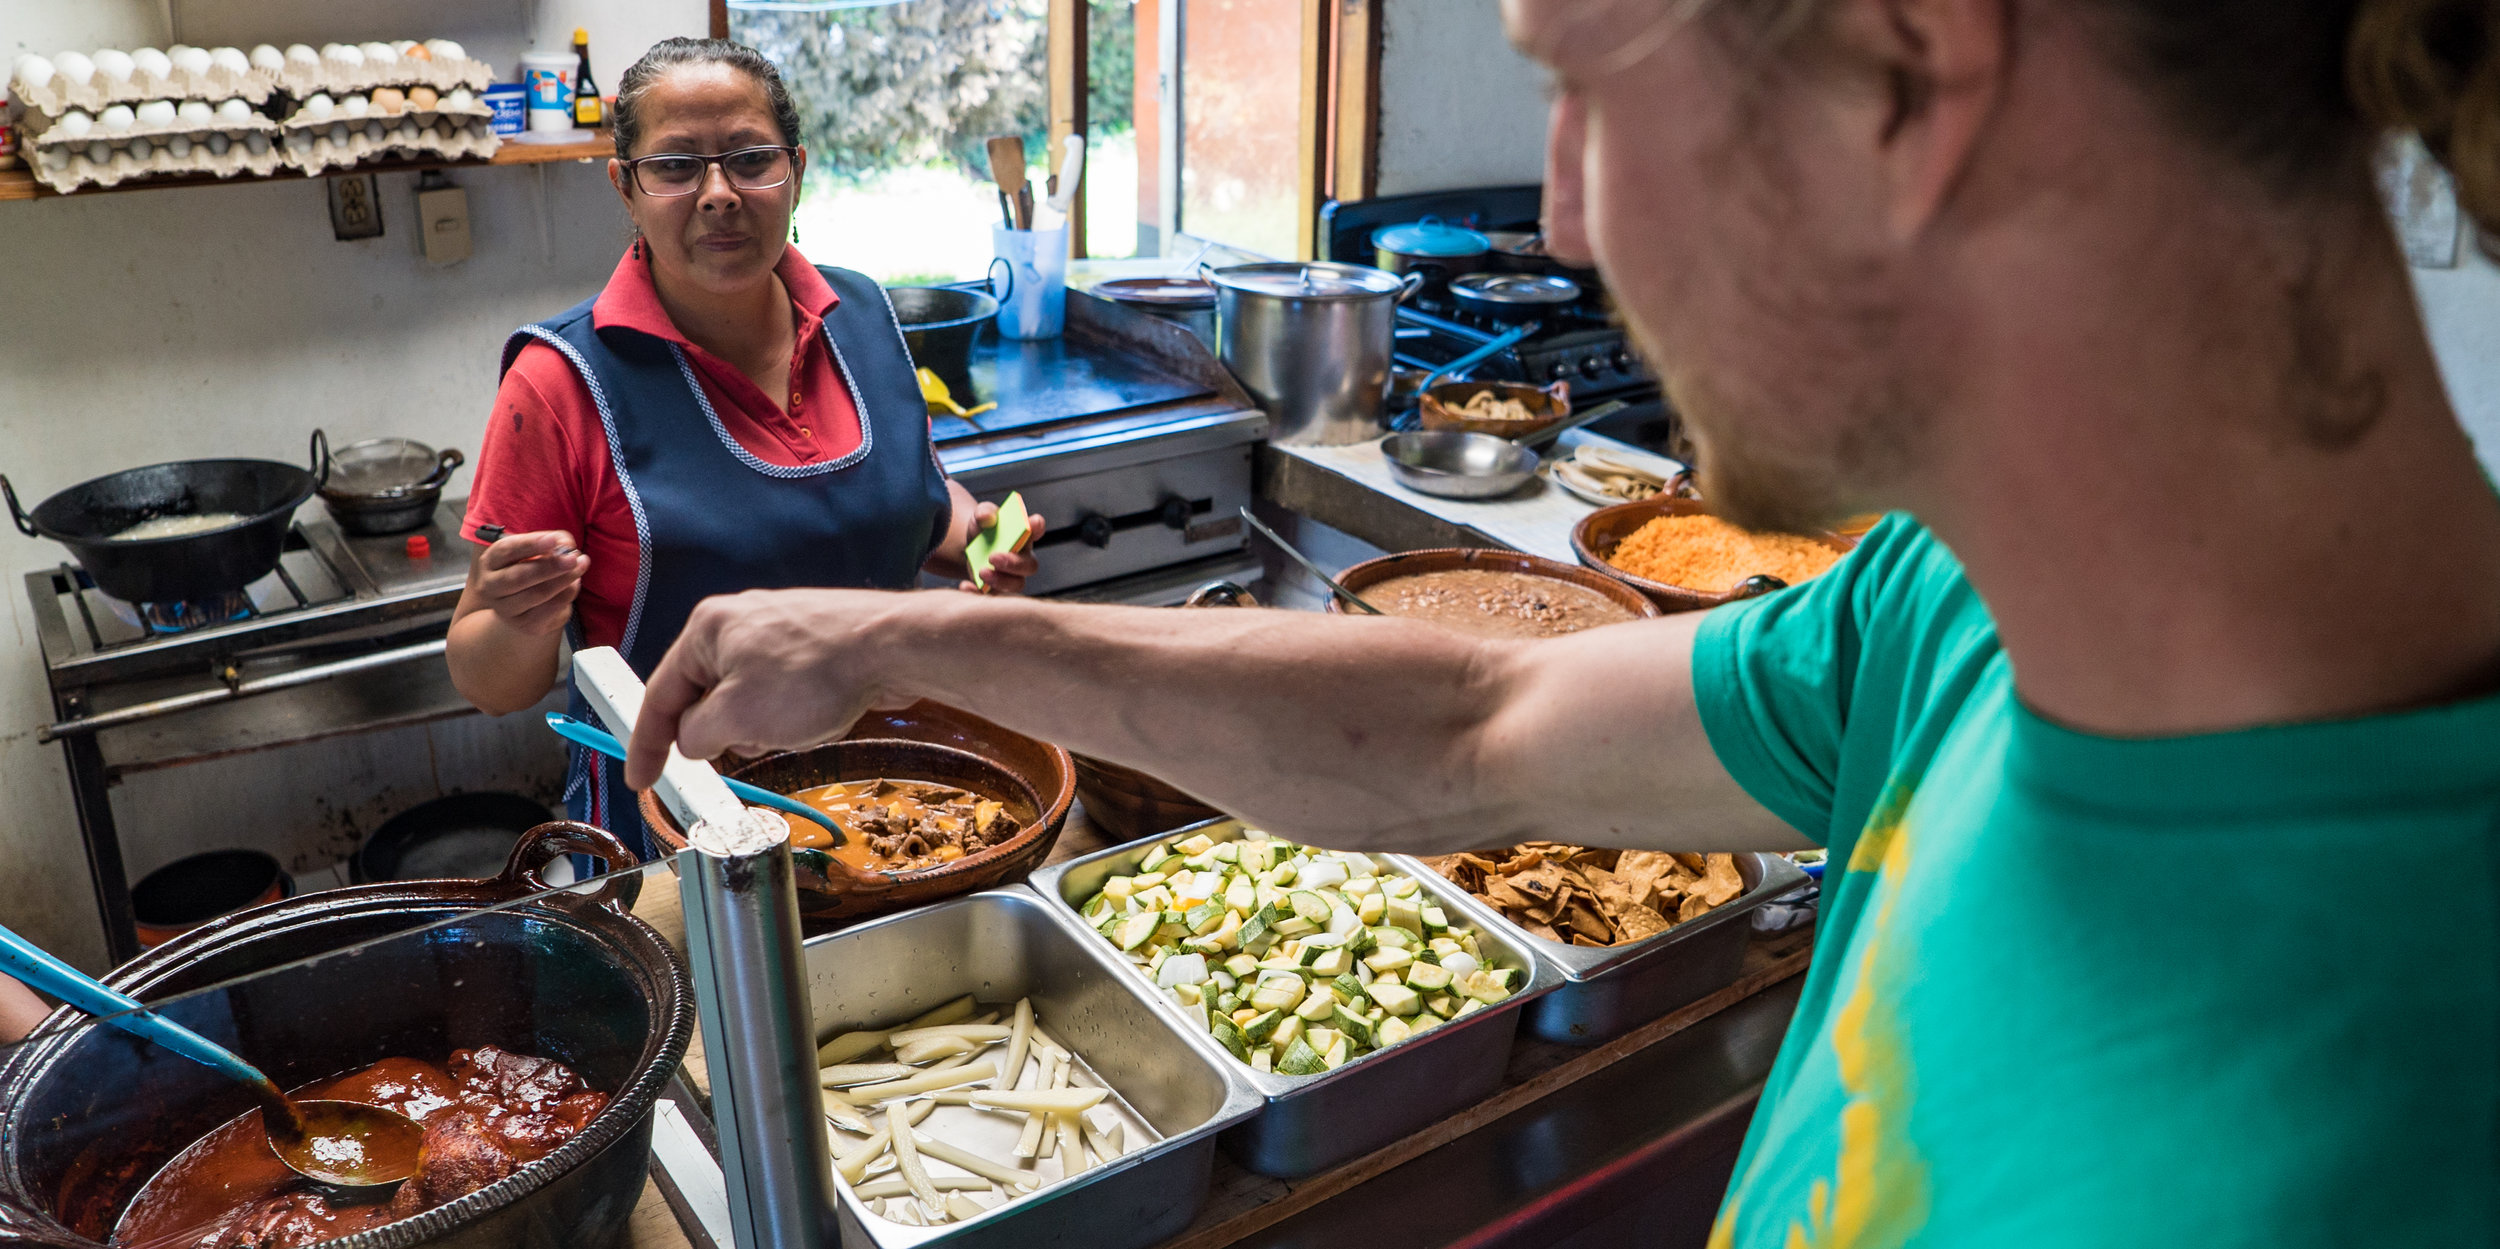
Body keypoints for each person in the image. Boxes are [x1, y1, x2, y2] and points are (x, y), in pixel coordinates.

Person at [626, 0, 2500, 1243]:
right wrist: (905, 641)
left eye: (1586, 86)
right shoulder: (1960, 615)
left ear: (1903, 74)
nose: (1570, 221)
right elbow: (1460, 730)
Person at [446, 38, 1042, 857]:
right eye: (677, 166)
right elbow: (489, 681)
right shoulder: (562, 381)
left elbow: (921, 503)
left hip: (890, 799)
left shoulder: (860, 315)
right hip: (680, 834)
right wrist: (514, 613)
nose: (719, 194)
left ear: (796, 170)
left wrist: (978, 540)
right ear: (627, 188)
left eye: (750, 159)